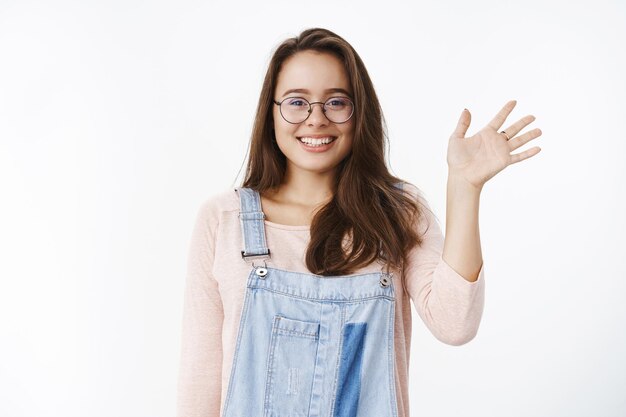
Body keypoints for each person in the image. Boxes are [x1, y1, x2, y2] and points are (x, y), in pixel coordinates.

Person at [176, 27, 542, 417]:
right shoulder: (223, 219)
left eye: (336, 102)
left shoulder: (398, 212)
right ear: (271, 113)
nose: (316, 119)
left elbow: (456, 324)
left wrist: (464, 187)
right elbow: (200, 379)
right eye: (297, 102)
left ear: (358, 112)